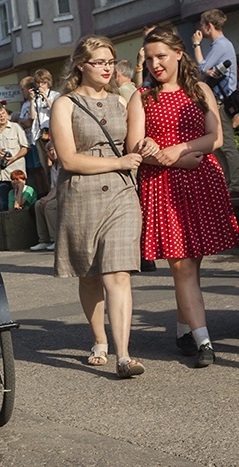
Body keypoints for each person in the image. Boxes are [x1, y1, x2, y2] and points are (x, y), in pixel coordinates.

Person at [127, 27, 239, 368]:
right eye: (149, 58)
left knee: (192, 265)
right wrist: (169, 156)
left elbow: (215, 137)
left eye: (161, 55)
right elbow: (134, 147)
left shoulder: (200, 88)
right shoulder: (142, 96)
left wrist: (179, 149)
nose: (155, 63)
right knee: (182, 266)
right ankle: (204, 340)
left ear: (178, 53)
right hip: (162, 184)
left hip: (201, 181)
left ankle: (182, 331)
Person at [51, 35, 145, 379]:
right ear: (81, 65)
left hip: (121, 195)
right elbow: (69, 159)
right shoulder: (65, 104)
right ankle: (99, 340)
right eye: (99, 63)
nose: (107, 68)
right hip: (81, 193)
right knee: (90, 275)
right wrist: (119, 162)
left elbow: (133, 144)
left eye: (111, 61)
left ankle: (124, 356)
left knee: (117, 273)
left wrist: (142, 146)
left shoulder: (122, 100)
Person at [192, 8, 239, 198]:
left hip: (221, 102)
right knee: (218, 146)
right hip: (219, 102)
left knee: (226, 144)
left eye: (202, 26)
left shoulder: (221, 45)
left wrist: (196, 45)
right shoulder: (222, 45)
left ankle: (235, 183)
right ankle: (229, 183)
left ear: (208, 26)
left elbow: (202, 68)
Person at [0, 103, 29, 211]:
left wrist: (14, 158)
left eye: (3, 113)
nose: (2, 116)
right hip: (0, 176)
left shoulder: (16, 128)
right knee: (4, 206)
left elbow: (25, 148)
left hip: (17, 174)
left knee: (20, 205)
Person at [30, 69, 61, 193]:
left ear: (48, 82)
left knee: (54, 161)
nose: (40, 86)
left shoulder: (55, 95)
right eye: (37, 83)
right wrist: (32, 100)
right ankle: (50, 189)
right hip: (39, 134)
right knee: (44, 166)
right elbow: (32, 116)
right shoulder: (36, 99)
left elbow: (55, 110)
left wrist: (45, 97)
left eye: (42, 83)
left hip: (51, 132)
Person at [30, 140, 60, 252]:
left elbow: (60, 186)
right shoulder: (53, 168)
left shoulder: (63, 165)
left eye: (53, 150)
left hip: (65, 194)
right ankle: (43, 239)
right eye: (49, 151)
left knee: (50, 206)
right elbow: (53, 187)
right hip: (55, 193)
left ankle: (55, 239)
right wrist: (46, 198)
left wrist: (48, 199)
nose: (51, 153)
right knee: (38, 204)